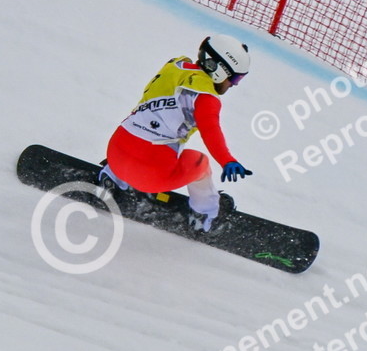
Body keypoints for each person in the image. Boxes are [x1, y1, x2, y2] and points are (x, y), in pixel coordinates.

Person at [98, 34, 254, 231]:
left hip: (116, 153)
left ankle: (111, 178)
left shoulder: (175, 65)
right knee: (200, 162)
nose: (234, 84)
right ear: (219, 70)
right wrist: (227, 160)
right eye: (235, 78)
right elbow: (211, 131)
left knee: (145, 128)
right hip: (150, 175)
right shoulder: (206, 98)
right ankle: (206, 215)